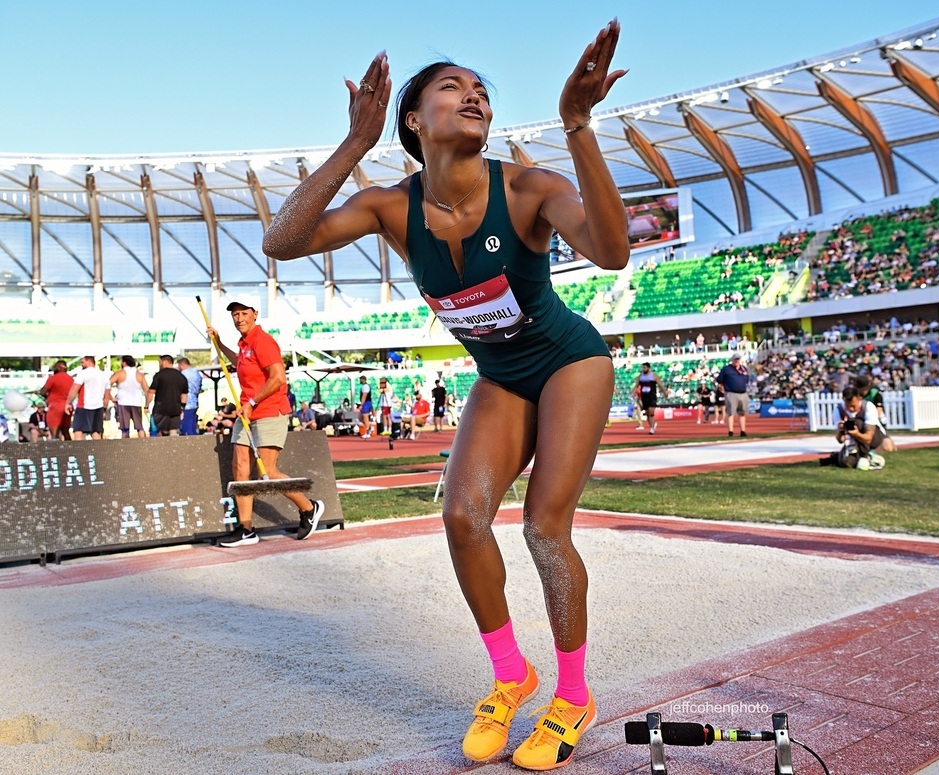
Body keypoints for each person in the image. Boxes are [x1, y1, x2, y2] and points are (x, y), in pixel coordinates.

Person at [260, 24, 629, 770]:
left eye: (482, 90)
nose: (475, 96)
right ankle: (509, 676)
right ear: (413, 121)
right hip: (501, 376)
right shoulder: (391, 207)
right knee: (462, 517)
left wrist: (579, 127)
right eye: (452, 87)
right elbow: (281, 239)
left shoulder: (528, 188)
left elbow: (613, 251)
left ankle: (573, 693)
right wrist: (352, 146)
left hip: (569, 362)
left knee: (544, 528)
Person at [206, 296, 324, 547]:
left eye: (243, 313)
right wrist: (219, 344)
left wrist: (252, 403)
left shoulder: (264, 341)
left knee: (267, 472)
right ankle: (246, 529)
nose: (239, 318)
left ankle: (309, 508)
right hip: (247, 414)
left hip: (269, 411)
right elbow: (241, 364)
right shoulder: (245, 344)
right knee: (239, 469)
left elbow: (278, 378)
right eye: (235, 314)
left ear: (255, 313)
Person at [828, 385, 893, 469]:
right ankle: (866, 458)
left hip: (873, 438)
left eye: (853, 406)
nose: (850, 409)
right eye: (847, 406)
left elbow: (869, 438)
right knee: (845, 463)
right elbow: (840, 440)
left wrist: (856, 434)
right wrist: (841, 431)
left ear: (859, 399)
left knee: (857, 422)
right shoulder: (839, 410)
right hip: (852, 442)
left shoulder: (868, 407)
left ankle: (865, 455)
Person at [65, 356, 111, 440]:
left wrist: (68, 403)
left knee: (78, 430)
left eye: (83, 362)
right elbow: (107, 395)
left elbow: (74, 389)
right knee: (96, 432)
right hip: (98, 407)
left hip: (84, 406)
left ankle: (79, 451)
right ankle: (97, 451)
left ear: (89, 361)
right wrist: (104, 408)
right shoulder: (104, 375)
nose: (81, 364)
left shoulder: (83, 374)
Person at [147, 355, 188, 437]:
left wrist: (146, 405)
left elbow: (151, 392)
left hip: (160, 409)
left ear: (165, 362)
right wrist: (182, 408)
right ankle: (173, 448)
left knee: (161, 433)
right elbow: (184, 395)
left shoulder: (159, 375)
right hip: (176, 409)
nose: (160, 364)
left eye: (160, 362)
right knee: (173, 432)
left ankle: (162, 449)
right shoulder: (181, 376)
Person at [110, 355, 149, 438]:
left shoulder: (120, 373)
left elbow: (107, 384)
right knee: (139, 427)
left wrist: (111, 398)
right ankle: (145, 444)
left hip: (123, 402)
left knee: (125, 428)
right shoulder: (139, 374)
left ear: (124, 363)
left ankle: (125, 447)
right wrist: (147, 404)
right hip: (136, 402)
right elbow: (147, 390)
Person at [716, 352, 750, 437]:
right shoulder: (727, 369)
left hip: (743, 393)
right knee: (730, 413)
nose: (737, 361)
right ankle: (730, 431)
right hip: (731, 393)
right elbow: (719, 379)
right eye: (735, 359)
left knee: (742, 413)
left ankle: (743, 431)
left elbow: (746, 380)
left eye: (738, 359)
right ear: (732, 360)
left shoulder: (743, 369)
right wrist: (721, 387)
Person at [40, 360, 74, 441]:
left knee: (54, 433)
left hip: (55, 407)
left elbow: (43, 391)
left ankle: (55, 452)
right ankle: (71, 451)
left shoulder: (53, 378)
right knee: (66, 431)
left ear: (58, 367)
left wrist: (46, 396)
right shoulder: (71, 379)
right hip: (68, 406)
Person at [633, 362, 668, 435]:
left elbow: (660, 385)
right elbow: (636, 385)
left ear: (648, 368)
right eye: (642, 368)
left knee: (651, 412)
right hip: (644, 396)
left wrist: (665, 394)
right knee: (647, 413)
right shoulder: (640, 377)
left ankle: (652, 428)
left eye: (645, 368)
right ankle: (652, 424)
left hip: (652, 396)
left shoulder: (654, 376)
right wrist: (633, 392)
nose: (643, 369)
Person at [177, 357, 204, 436]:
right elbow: (199, 388)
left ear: (182, 365)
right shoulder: (197, 373)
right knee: (192, 426)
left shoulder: (183, 374)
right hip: (194, 402)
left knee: (186, 428)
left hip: (186, 403)